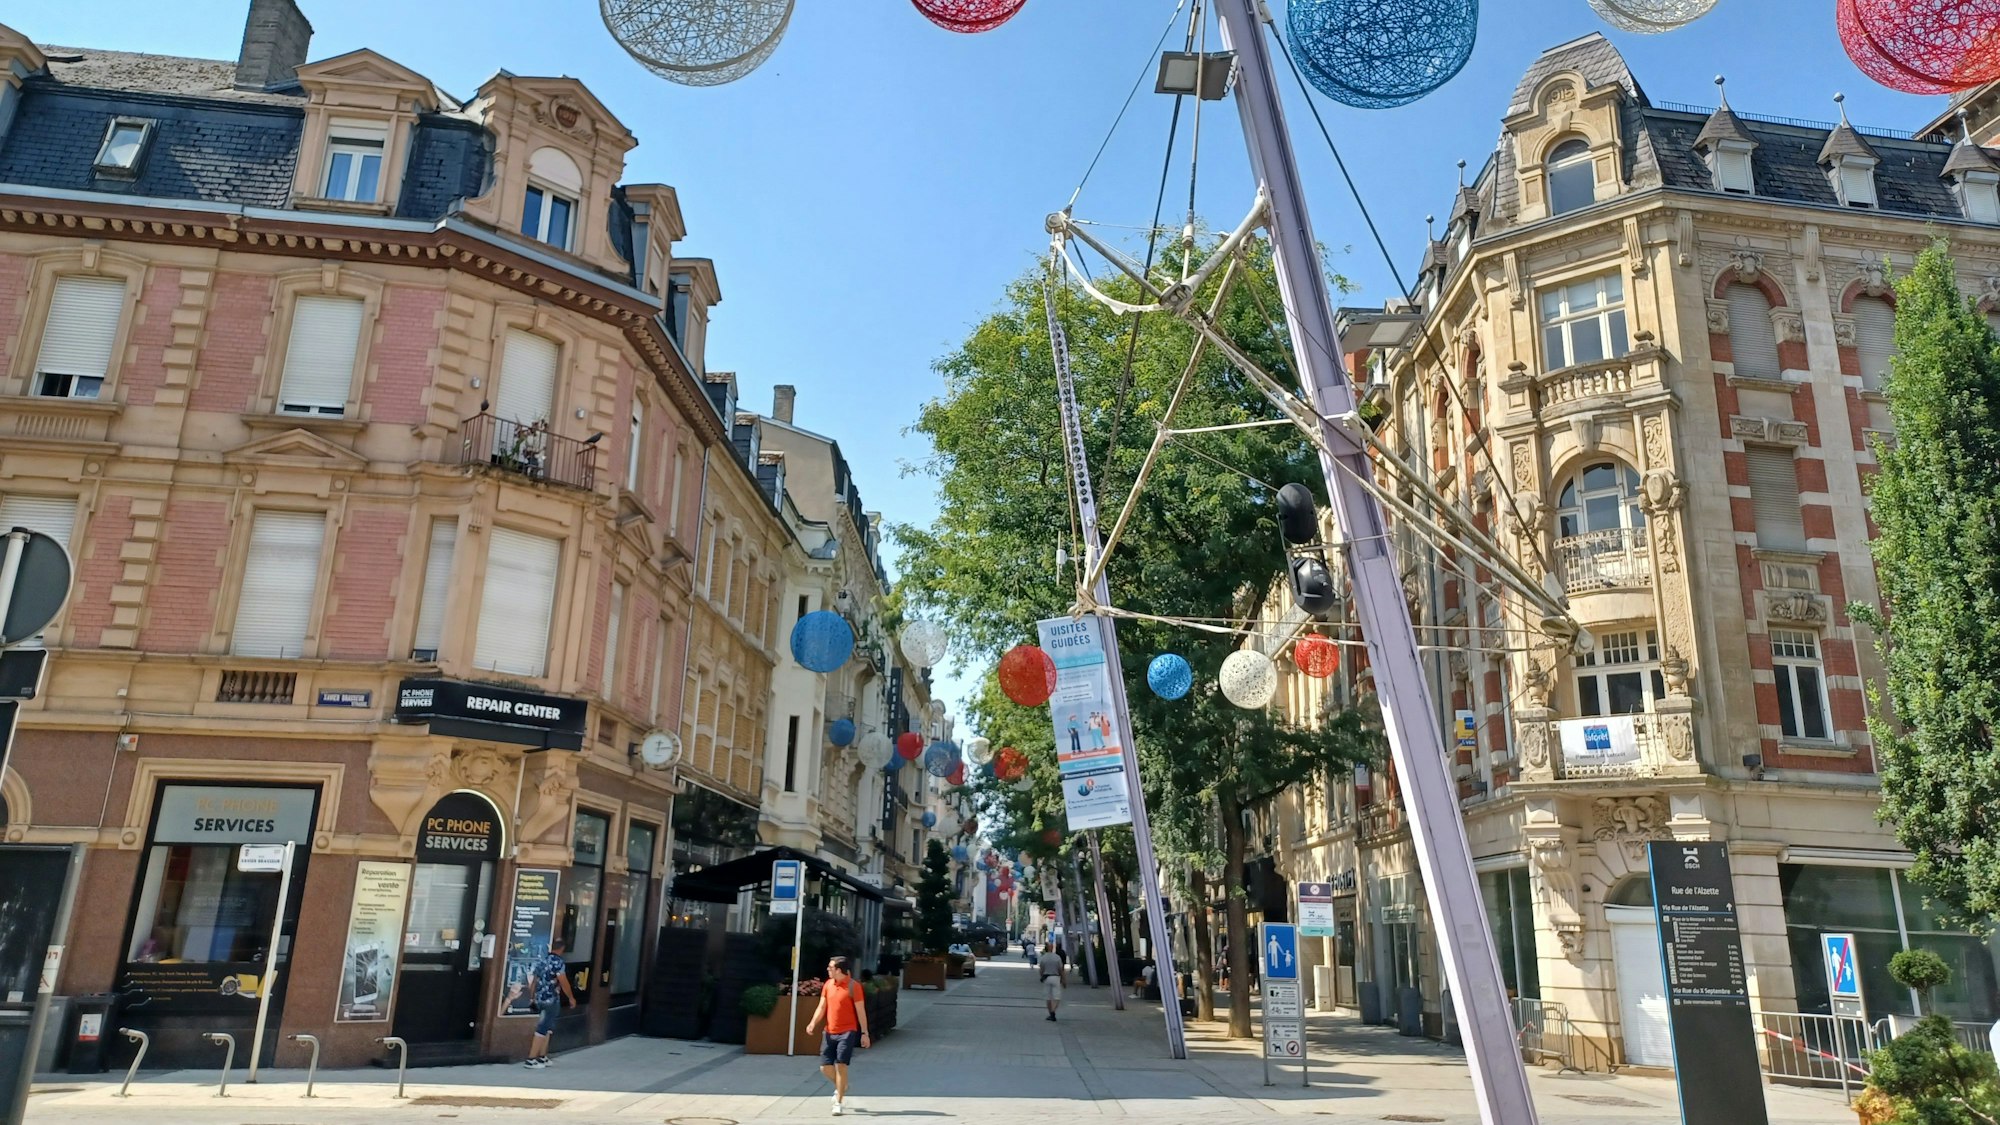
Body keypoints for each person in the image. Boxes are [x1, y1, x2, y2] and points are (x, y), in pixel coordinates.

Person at [804, 955, 871, 1115]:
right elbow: (822, 1007)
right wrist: (813, 1022)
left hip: (847, 1031)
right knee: (825, 1067)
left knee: (841, 1065)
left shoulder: (853, 986)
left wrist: (864, 1033)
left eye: (831, 967)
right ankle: (842, 1086)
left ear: (839, 970)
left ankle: (839, 1102)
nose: (828, 969)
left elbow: (861, 1011)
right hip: (829, 1031)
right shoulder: (828, 985)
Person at [524, 938, 576, 1068]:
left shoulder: (542, 960)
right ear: (562, 949)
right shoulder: (558, 962)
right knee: (543, 1028)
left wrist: (532, 998)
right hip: (551, 1000)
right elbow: (563, 982)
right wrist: (571, 997)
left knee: (547, 1028)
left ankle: (542, 1057)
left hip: (539, 998)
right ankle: (531, 1059)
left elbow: (534, 981)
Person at [1039, 941, 1066, 1022]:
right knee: (1056, 997)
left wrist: (1041, 977)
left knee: (1048, 997)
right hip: (1056, 978)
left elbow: (1041, 969)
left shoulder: (1043, 958)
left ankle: (1050, 1013)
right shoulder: (1057, 957)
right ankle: (1053, 1011)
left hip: (1047, 978)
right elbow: (1061, 970)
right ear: (1052, 948)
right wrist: (1063, 980)